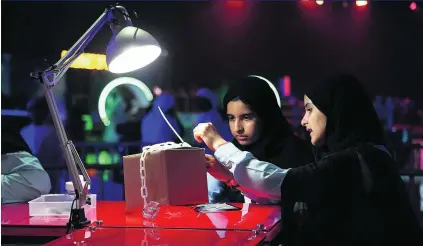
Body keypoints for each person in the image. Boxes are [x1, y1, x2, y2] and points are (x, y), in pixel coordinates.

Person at [193, 74, 421, 245]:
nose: (303, 121)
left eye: (310, 110)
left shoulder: (355, 161)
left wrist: (218, 144)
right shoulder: (363, 156)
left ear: (334, 111)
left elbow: (279, 183)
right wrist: (231, 179)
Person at [206, 76, 314, 204]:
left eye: (246, 117)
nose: (237, 128)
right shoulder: (232, 151)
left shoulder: (296, 153)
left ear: (266, 116)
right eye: (231, 118)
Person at [2, 94, 52, 204]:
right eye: (33, 110)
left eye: (39, 110)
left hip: (52, 172)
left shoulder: (53, 133)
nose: (35, 114)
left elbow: (38, 182)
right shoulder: (26, 130)